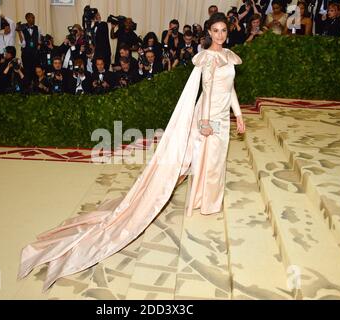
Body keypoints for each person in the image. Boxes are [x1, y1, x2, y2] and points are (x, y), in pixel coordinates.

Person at [17, 12, 245, 291]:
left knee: (216, 161)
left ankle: (208, 200)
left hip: (223, 117)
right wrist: (206, 121)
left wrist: (239, 116)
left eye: (223, 30)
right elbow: (207, 93)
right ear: (209, 32)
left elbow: (229, 89)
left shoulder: (230, 57)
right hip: (208, 118)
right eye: (216, 31)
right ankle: (204, 201)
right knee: (207, 161)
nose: (220, 35)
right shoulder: (207, 58)